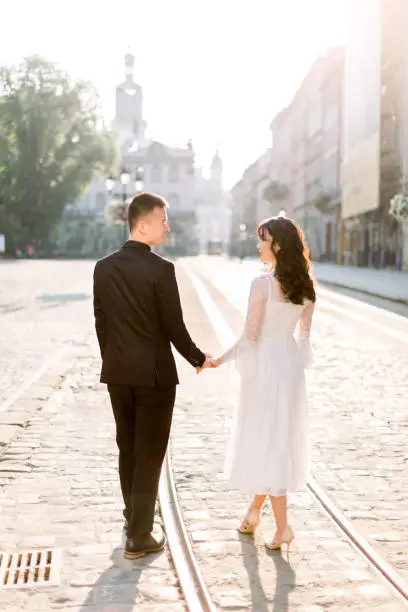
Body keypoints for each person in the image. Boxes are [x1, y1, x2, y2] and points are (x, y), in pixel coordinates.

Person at [93, 192, 212, 560]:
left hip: (118, 372)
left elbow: (102, 323)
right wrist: (197, 357)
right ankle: (140, 535)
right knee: (150, 452)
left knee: (127, 445)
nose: (168, 226)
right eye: (162, 220)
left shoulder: (104, 267)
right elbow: (173, 326)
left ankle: (134, 516)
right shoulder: (161, 269)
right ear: (142, 224)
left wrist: (113, 359)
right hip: (155, 375)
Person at [209, 215, 316, 551]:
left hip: (267, 370)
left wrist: (218, 360)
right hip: (290, 369)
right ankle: (254, 511)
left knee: (268, 444)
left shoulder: (262, 284)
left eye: (263, 239)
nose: (258, 245)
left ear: (278, 245)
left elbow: (249, 337)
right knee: (276, 440)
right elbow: (304, 337)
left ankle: (283, 527)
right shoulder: (307, 285)